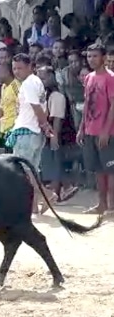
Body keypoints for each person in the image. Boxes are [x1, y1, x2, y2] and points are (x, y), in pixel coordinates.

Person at [7, 53, 51, 214]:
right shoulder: (36, 82)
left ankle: (48, 195)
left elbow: (36, 107)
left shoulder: (29, 84)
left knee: (24, 171)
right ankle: (33, 206)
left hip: (27, 131)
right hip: (34, 131)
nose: (17, 71)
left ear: (30, 67)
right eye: (14, 68)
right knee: (31, 170)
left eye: (20, 68)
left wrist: (44, 124)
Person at [79, 44, 114, 215]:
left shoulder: (110, 78)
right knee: (99, 169)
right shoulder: (89, 77)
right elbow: (86, 104)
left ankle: (112, 205)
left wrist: (106, 130)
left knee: (111, 169)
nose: (91, 59)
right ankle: (102, 204)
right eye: (89, 56)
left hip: (107, 132)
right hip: (90, 130)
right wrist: (81, 128)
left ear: (104, 57)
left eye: (95, 56)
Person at [36, 66, 78, 208]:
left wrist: (54, 137)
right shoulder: (47, 95)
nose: (41, 80)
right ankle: (64, 188)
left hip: (56, 135)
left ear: (51, 77)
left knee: (53, 163)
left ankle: (65, 188)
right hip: (49, 133)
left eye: (44, 77)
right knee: (53, 163)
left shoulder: (57, 96)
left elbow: (57, 119)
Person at [0, 62, 20, 149]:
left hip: (13, 129)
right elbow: (1, 106)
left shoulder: (16, 86)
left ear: (7, 72)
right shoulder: (3, 87)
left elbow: (22, 106)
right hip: (3, 129)